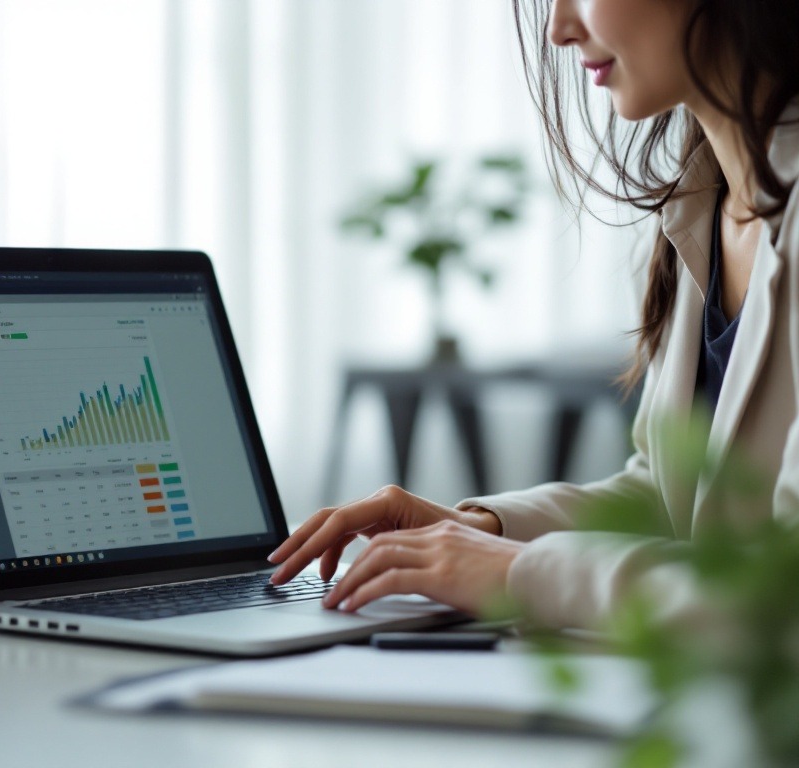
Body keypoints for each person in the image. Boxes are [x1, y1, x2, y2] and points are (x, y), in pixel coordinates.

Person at [268, 0, 799, 629]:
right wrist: (478, 530)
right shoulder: (700, 203)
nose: (558, 29)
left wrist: (514, 572)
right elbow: (670, 498)